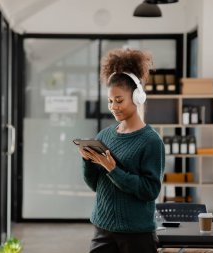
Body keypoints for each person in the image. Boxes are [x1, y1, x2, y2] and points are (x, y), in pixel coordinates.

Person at [78, 48, 165, 253]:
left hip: (136, 234)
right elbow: (95, 186)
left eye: (119, 100)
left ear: (137, 97)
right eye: (110, 101)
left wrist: (113, 169)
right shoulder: (104, 136)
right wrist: (88, 161)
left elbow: (150, 190)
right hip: (103, 228)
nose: (113, 106)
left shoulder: (151, 141)